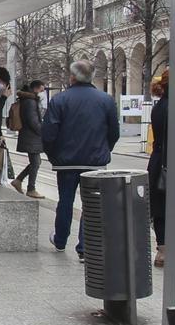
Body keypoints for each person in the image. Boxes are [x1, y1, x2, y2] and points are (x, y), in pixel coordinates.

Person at [42, 60, 120, 260]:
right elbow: (114, 132)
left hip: (67, 162)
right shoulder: (106, 100)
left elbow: (49, 133)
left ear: (72, 77)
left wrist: (54, 156)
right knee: (91, 204)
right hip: (95, 162)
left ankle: (60, 240)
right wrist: (104, 150)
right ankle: (85, 247)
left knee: (65, 201)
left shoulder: (59, 100)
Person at [149, 70, 170, 268]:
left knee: (160, 209)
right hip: (171, 164)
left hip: (158, 163)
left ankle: (162, 251)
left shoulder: (159, 106)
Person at [11, 80, 46, 199]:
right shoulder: (30, 101)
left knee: (36, 162)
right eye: (42, 90)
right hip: (31, 136)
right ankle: (31, 188)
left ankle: (19, 180)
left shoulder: (27, 99)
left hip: (29, 135)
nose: (43, 93)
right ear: (36, 89)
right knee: (36, 162)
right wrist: (43, 132)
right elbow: (33, 121)